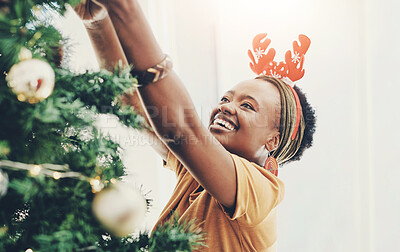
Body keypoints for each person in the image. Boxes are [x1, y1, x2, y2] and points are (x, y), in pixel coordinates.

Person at [75, 0, 316, 251]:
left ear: (273, 140)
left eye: (247, 106)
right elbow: (130, 101)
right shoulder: (193, 174)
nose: (226, 107)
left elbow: (181, 129)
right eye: (226, 98)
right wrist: (96, 21)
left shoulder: (263, 191)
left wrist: (125, 8)